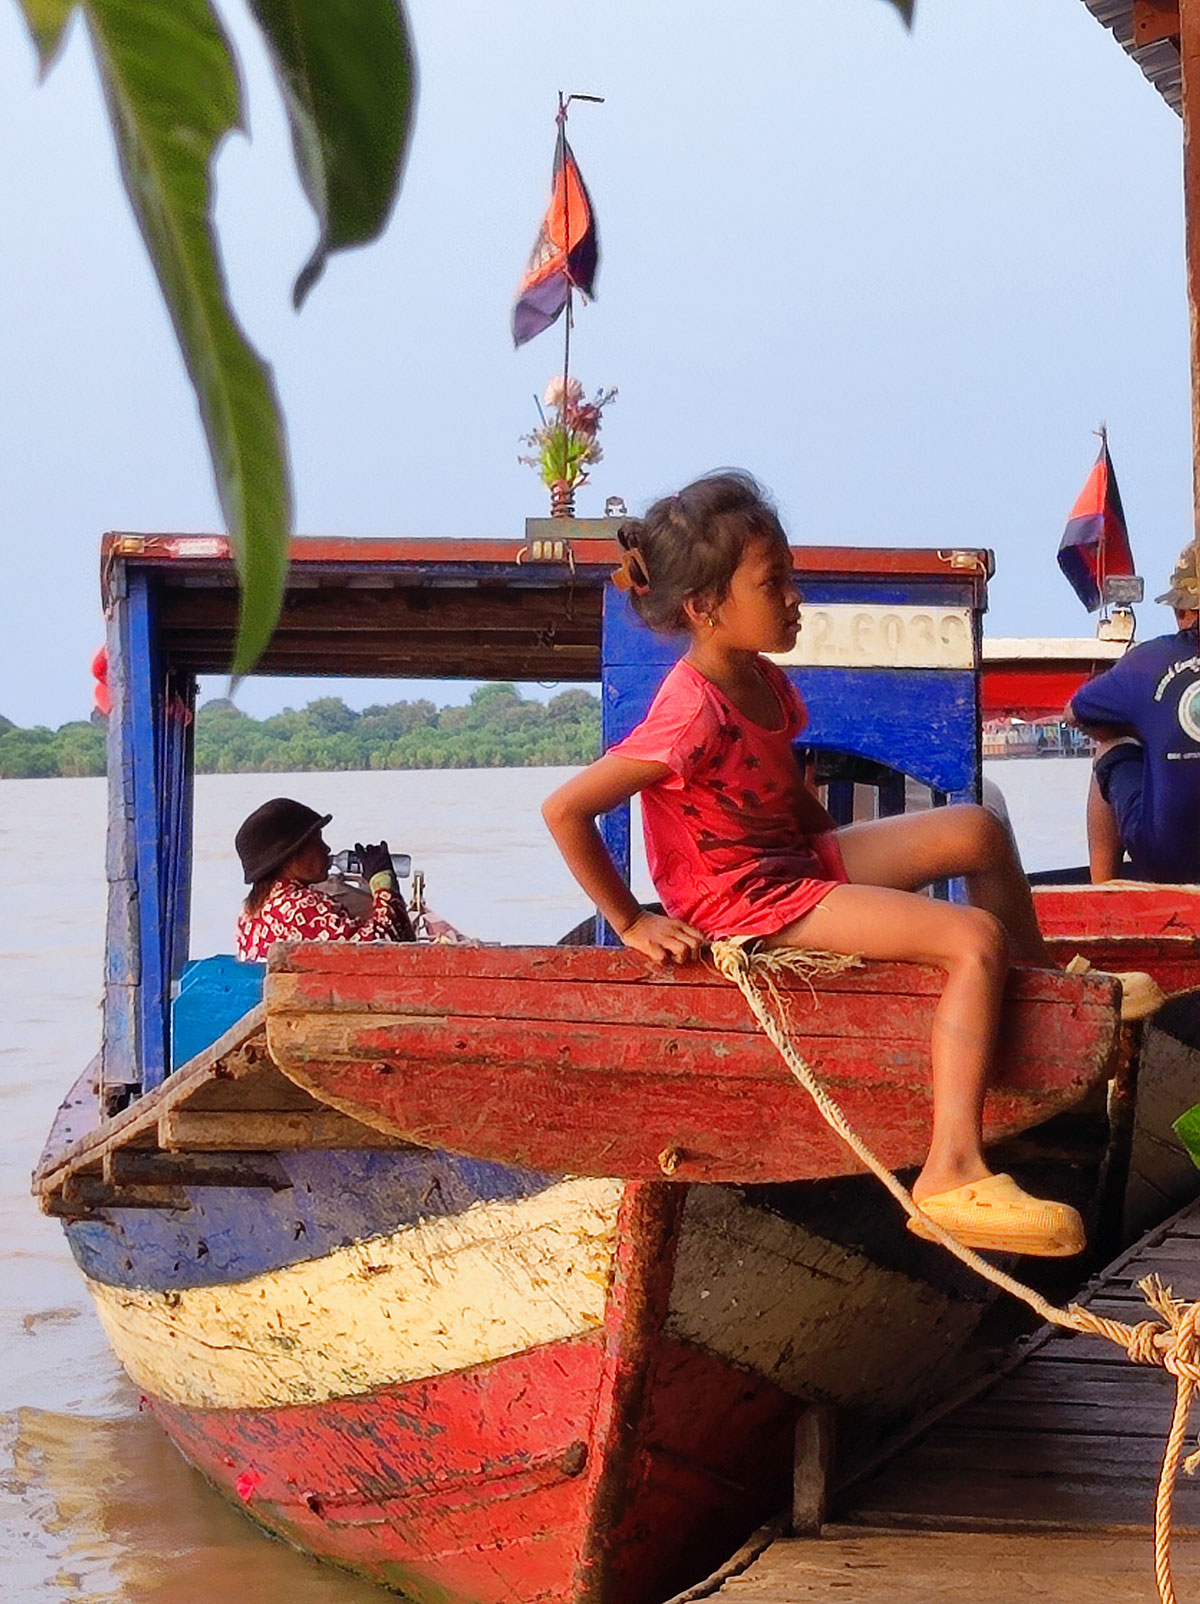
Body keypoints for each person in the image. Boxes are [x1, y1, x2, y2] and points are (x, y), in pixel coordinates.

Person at [543, 473, 1154, 1258]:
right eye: (774, 583)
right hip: (748, 899)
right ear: (704, 608)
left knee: (977, 827)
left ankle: (1045, 990)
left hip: (792, 860)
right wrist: (629, 920)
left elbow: (780, 791)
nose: (795, 596)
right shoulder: (690, 708)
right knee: (970, 939)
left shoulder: (762, 677)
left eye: (790, 575)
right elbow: (567, 809)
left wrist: (850, 865)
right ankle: (949, 1172)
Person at [1067, 546, 1200, 886]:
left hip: (1169, 863)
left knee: (1110, 747)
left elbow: (1075, 712)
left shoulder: (1147, 663)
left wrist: (1141, 726)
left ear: (1184, 611)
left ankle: (1103, 894)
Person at [235, 797, 414, 962]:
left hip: (274, 995)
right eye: (317, 841)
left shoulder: (249, 913)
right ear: (289, 857)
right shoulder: (301, 907)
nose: (326, 849)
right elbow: (390, 948)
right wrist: (383, 882)